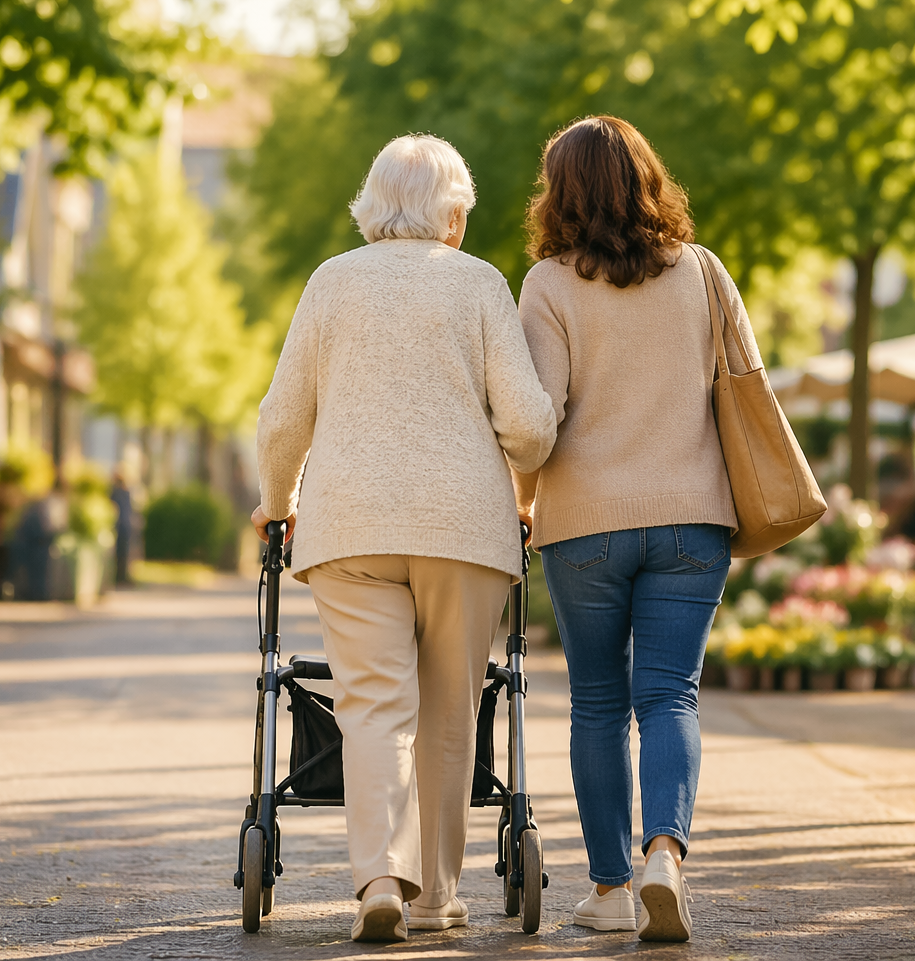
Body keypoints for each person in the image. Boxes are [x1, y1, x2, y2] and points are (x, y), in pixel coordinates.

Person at [252, 134, 556, 943]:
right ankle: (434, 900)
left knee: (374, 708)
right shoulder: (480, 283)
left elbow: (283, 418)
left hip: (349, 526)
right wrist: (523, 478)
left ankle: (381, 878)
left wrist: (277, 503)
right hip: (463, 527)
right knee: (451, 712)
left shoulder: (331, 282)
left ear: (370, 207)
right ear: (453, 217)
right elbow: (530, 427)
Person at [512, 116, 758, 942]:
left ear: (560, 193)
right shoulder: (704, 271)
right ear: (650, 180)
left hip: (584, 525)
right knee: (670, 695)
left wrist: (520, 496)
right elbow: (745, 383)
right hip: (693, 518)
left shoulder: (548, 286)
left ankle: (612, 890)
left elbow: (537, 421)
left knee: (596, 703)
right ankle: (665, 856)